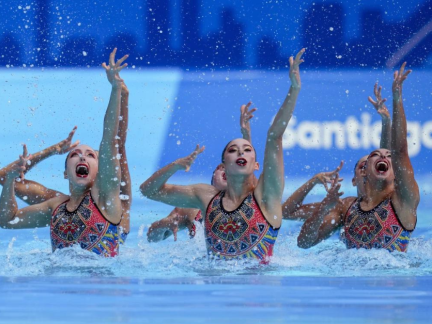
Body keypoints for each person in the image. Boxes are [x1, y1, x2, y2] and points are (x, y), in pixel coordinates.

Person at [140, 49, 305, 263]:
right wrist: (175, 166)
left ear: (256, 164)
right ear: (223, 165)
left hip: (261, 291)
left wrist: (294, 88)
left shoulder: (266, 197)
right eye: (233, 150)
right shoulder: (205, 197)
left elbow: (274, 136)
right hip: (215, 290)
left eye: (246, 150)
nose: (240, 152)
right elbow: (148, 191)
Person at [0, 49, 128, 257]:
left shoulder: (106, 198)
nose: (82, 156)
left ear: (100, 171)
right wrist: (14, 175)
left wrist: (115, 88)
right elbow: (7, 220)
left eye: (91, 155)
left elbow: (110, 139)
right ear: (65, 172)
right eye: (74, 154)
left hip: (101, 285)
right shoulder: (55, 207)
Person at [297, 63, 418, 252]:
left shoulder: (402, 201)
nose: (383, 156)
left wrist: (397, 98)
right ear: (364, 171)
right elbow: (304, 243)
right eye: (375, 155)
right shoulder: (346, 207)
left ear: (397, 174)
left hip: (394, 278)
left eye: (388, 156)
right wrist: (322, 209)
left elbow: (400, 150)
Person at [146, 103, 255, 242]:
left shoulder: (255, 200)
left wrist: (247, 136)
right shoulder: (193, 207)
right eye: (221, 167)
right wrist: (165, 224)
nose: (225, 170)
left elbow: (248, 174)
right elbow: (152, 237)